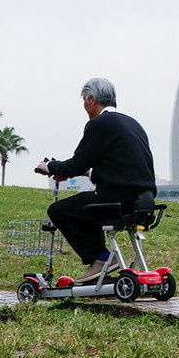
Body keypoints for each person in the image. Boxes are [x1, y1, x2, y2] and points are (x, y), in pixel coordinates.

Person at [35, 78, 157, 283]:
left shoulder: (99, 123)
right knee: (85, 205)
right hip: (143, 199)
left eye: (84, 100)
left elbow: (77, 163)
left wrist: (50, 167)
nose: (84, 106)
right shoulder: (131, 122)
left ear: (92, 99)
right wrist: (88, 174)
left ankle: (101, 259)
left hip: (118, 199)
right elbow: (121, 167)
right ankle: (102, 261)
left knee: (59, 210)